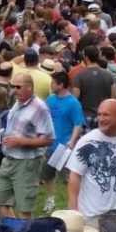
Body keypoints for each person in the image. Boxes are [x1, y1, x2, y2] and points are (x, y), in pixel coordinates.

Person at [66, 99, 116, 223]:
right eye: (99, 114)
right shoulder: (86, 142)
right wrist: (75, 212)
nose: (101, 119)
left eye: (106, 114)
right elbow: (74, 176)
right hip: (91, 217)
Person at [0, 73, 54, 219]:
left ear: (29, 88)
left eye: (18, 87)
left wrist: (21, 141)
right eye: (13, 86)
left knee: (24, 208)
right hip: (9, 159)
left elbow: (49, 139)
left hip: (27, 163)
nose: (14, 90)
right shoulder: (17, 102)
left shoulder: (40, 108)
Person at [41, 71, 85, 213]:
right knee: (47, 175)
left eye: (53, 82)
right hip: (49, 145)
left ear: (60, 85)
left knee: (67, 178)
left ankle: (71, 206)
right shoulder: (51, 99)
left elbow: (77, 124)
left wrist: (72, 141)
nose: (50, 85)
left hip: (65, 147)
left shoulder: (73, 103)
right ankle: (50, 200)